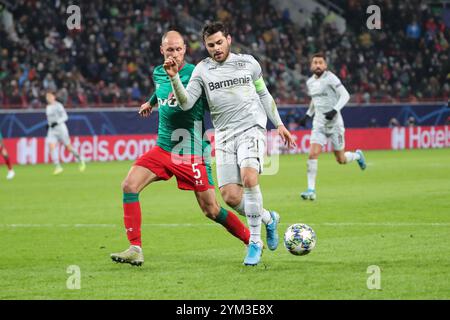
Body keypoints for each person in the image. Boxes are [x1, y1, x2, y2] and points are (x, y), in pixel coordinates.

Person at [110, 31, 251, 267]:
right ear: (161, 50)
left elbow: (187, 103)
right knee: (129, 185)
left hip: (191, 151)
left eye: (177, 49)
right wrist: (150, 102)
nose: (173, 54)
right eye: (169, 50)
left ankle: (250, 239)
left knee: (212, 210)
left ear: (185, 49)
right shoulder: (159, 71)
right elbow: (161, 88)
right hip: (164, 147)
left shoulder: (197, 73)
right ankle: (135, 248)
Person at [165, 22, 296, 266]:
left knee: (249, 178)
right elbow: (185, 103)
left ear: (229, 39)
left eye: (219, 42)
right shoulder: (202, 70)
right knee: (231, 197)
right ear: (205, 46)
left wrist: (278, 123)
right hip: (224, 136)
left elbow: (263, 93)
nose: (216, 48)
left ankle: (255, 243)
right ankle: (269, 218)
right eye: (210, 45)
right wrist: (174, 79)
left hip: (251, 129)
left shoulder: (248, 63)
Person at [298, 53, 366, 201]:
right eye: (315, 62)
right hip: (319, 125)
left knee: (341, 159)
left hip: (335, 125)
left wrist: (335, 110)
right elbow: (314, 101)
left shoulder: (331, 78)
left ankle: (357, 155)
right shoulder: (310, 82)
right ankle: (311, 190)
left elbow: (345, 95)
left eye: (320, 63)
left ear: (325, 65)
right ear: (311, 65)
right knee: (312, 154)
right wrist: (308, 115)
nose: (317, 65)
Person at [45, 90, 86, 175]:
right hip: (52, 130)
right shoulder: (48, 107)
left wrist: (57, 122)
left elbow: (65, 117)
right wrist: (48, 124)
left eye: (49, 96)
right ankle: (58, 166)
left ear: (54, 97)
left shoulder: (58, 106)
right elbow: (50, 119)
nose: (48, 98)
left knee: (69, 148)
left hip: (61, 129)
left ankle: (80, 159)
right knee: (51, 146)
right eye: (47, 97)